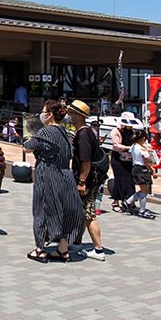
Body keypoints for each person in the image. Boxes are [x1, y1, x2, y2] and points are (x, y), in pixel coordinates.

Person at [25, 100, 82, 262]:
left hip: (48, 174)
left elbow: (27, 146)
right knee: (62, 210)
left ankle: (39, 249)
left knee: (41, 209)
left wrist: (32, 130)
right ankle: (63, 250)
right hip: (65, 175)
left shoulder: (45, 132)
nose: (41, 115)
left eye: (43, 111)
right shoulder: (64, 132)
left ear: (49, 115)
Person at [65, 100, 109, 259]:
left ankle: (98, 249)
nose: (68, 115)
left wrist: (82, 182)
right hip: (93, 178)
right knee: (83, 212)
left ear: (77, 115)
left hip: (88, 180)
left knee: (89, 214)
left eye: (70, 112)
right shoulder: (87, 131)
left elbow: (86, 161)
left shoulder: (83, 135)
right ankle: (76, 242)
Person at [123, 130, 159, 220]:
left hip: (135, 168)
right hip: (141, 169)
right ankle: (142, 210)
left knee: (144, 190)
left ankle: (128, 202)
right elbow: (146, 161)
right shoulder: (142, 148)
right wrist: (152, 170)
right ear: (143, 138)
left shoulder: (133, 146)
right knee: (144, 191)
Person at [109, 112, 140, 212]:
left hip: (130, 159)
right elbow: (116, 145)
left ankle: (130, 202)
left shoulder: (132, 131)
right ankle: (116, 201)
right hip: (118, 158)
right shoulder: (116, 131)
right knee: (119, 180)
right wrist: (129, 148)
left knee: (130, 180)